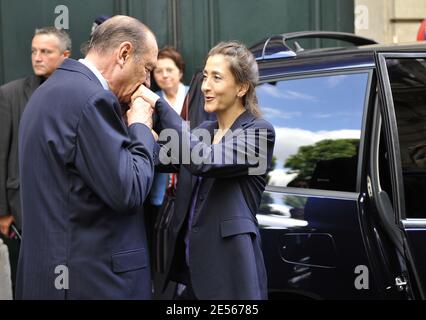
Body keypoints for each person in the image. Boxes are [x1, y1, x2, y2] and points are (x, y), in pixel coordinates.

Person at [16, 15, 158, 299]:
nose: (146, 81)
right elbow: (128, 190)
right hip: (91, 283)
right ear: (124, 53)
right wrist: (141, 127)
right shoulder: (92, 99)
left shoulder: (50, 90)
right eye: (146, 68)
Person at [135, 41, 275, 299]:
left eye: (217, 78)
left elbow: (204, 160)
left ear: (242, 87)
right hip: (190, 279)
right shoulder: (203, 133)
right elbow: (155, 156)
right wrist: (134, 121)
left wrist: (162, 106)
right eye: (205, 76)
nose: (205, 86)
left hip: (230, 279)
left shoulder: (258, 132)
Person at [0, 27, 71, 294]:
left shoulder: (73, 92)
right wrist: (3, 211)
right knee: (26, 282)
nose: (37, 57)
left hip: (63, 208)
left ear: (65, 55)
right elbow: (1, 154)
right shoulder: (10, 94)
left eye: (45, 51)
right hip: (20, 211)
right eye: (34, 51)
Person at [146, 47, 188, 234]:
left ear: (180, 71)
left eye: (169, 70)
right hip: (161, 187)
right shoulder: (150, 101)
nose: (164, 75)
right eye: (158, 71)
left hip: (190, 178)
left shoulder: (195, 96)